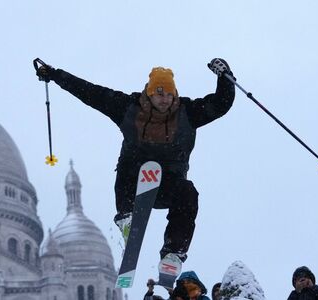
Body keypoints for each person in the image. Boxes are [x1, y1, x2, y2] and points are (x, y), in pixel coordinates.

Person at [35, 58, 236, 266]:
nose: (165, 99)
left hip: (168, 186)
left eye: (169, 94)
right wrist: (55, 74)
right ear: (149, 93)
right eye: (159, 93)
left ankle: (173, 253)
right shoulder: (128, 108)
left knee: (188, 192)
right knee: (129, 162)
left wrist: (225, 77)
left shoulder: (188, 112)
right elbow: (90, 92)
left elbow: (221, 104)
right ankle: (126, 216)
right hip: (134, 183)